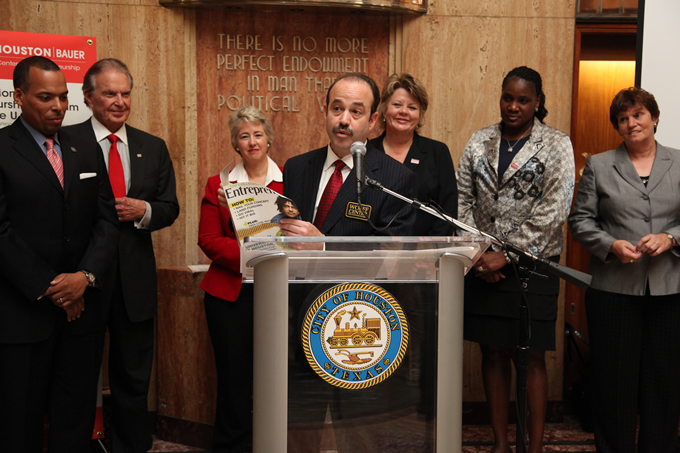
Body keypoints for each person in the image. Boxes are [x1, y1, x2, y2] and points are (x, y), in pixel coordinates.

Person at [280, 73, 416, 453]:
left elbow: (393, 252)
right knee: (299, 429)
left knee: (358, 435)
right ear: (324, 112)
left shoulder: (394, 179)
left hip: (358, 324)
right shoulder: (296, 168)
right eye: (337, 109)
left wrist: (325, 247)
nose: (344, 119)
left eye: (356, 111)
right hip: (298, 321)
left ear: (373, 121)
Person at [0, 56, 119, 453]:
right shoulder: (2, 148)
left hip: (81, 312)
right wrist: (53, 286)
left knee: (75, 417)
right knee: (19, 422)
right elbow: (2, 232)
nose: (57, 107)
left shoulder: (83, 148)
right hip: (23, 314)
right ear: (19, 96)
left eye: (63, 98)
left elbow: (105, 221)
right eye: (45, 97)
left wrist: (83, 278)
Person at [63, 58, 179, 453]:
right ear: (88, 97)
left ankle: (132, 446)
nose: (119, 101)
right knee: (77, 378)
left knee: (133, 379)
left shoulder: (152, 146)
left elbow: (170, 207)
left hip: (135, 285)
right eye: (109, 93)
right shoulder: (65, 141)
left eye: (125, 93)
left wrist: (145, 211)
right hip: (84, 284)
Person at [457, 66, 575, 453]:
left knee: (531, 356)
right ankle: (500, 443)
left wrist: (503, 255)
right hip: (482, 265)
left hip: (533, 264)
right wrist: (478, 253)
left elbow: (553, 210)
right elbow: (463, 202)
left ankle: (534, 446)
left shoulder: (556, 144)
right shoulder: (480, 141)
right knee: (490, 351)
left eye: (523, 100)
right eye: (508, 97)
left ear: (537, 102)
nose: (513, 106)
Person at [568, 87, 680, 453]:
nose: (631, 123)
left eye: (638, 115)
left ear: (654, 117)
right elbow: (580, 221)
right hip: (614, 290)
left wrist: (670, 237)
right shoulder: (600, 165)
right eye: (623, 119)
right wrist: (610, 246)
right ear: (617, 126)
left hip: (669, 290)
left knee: (662, 383)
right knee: (614, 384)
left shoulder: (679, 162)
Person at [198, 105, 283, 453]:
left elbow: (296, 235)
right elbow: (208, 240)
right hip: (229, 297)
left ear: (268, 139)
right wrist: (253, 256)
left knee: (274, 378)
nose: (252, 141)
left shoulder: (288, 181)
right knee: (233, 381)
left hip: (277, 295)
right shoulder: (218, 184)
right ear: (235, 143)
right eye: (244, 135)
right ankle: (231, 446)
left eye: (258, 134)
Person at [369, 72, 457, 236]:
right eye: (397, 104)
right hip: (374, 254)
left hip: (423, 256)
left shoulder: (437, 153)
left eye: (412, 107)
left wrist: (430, 251)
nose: (404, 111)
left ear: (420, 114)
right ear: (384, 108)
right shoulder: (367, 152)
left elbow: (448, 211)